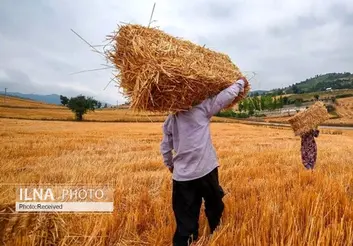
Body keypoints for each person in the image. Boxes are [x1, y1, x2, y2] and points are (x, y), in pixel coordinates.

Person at [160, 77, 248, 246]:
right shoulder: (202, 108)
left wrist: (170, 164)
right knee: (214, 205)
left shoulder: (171, 119)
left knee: (185, 217)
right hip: (206, 170)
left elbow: (165, 146)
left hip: (182, 177)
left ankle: (186, 240)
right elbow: (226, 96)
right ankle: (217, 234)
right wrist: (240, 83)